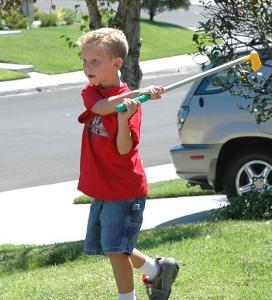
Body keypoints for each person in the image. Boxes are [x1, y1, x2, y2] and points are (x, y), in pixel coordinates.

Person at [77, 27, 179, 300]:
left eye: (94, 61)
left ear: (116, 63)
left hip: (124, 188)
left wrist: (124, 121)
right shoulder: (92, 93)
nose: (87, 66)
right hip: (104, 188)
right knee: (111, 245)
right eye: (85, 60)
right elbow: (100, 108)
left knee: (116, 249)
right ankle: (158, 269)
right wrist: (140, 92)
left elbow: (124, 149)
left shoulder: (133, 105)